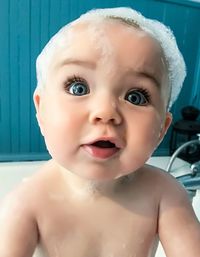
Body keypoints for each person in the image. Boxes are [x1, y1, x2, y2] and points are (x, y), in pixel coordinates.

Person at [0, 7, 200, 257]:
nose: (106, 112)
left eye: (136, 97)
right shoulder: (26, 203)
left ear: (161, 130)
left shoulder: (165, 196)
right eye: (78, 88)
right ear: (41, 110)